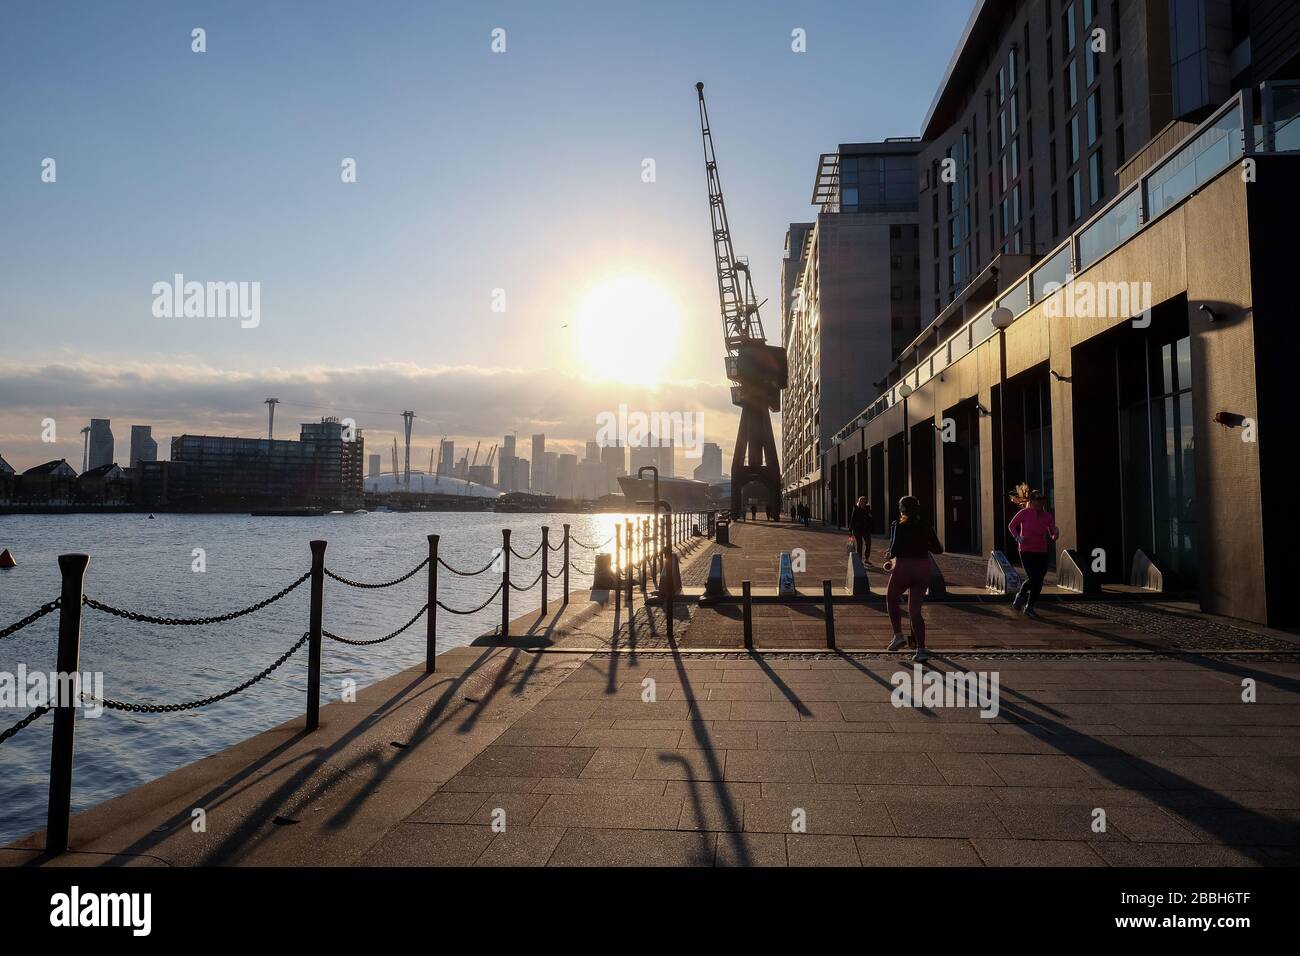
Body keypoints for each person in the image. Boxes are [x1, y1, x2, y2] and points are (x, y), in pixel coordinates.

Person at [884, 496, 943, 662]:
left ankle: (898, 635)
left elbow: (894, 549)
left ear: (902, 509)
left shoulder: (898, 525)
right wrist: (923, 544)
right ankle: (921, 649)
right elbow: (938, 549)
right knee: (915, 611)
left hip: (904, 567)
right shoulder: (926, 525)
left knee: (891, 598)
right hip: (923, 568)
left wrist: (889, 556)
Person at [1007, 483, 1058, 618]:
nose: (1041, 502)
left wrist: (1056, 534)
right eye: (1038, 499)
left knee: (1039, 580)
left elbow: (1052, 534)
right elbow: (1011, 526)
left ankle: (1029, 606)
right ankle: (1021, 596)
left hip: (1041, 551)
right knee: (1034, 578)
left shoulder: (1047, 516)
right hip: (1026, 550)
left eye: (1042, 499)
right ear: (1032, 501)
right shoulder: (1025, 512)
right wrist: (1017, 537)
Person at [846, 496, 872, 563]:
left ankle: (866, 558)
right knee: (859, 545)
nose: (863, 503)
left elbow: (871, 519)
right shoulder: (856, 509)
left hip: (866, 529)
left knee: (868, 544)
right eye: (861, 501)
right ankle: (859, 559)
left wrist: (870, 517)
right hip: (857, 530)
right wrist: (850, 530)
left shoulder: (868, 509)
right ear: (859, 502)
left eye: (864, 501)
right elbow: (852, 519)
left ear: (866, 502)